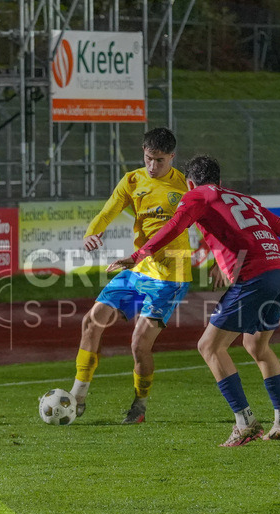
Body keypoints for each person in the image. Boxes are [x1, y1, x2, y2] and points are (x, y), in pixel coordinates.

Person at [108, 155, 280, 447]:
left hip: (255, 277)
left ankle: (244, 423)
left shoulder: (197, 195)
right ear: (220, 180)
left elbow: (174, 226)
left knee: (209, 346)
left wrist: (137, 256)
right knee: (256, 345)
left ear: (190, 182)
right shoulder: (246, 199)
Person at [69, 127, 192, 424]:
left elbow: (211, 222)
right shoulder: (133, 180)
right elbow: (108, 210)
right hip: (137, 270)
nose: (153, 166)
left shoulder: (186, 186)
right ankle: (77, 397)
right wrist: (92, 232)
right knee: (91, 322)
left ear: (172, 157)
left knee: (139, 345)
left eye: (160, 160)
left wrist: (219, 259)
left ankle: (139, 405)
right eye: (149, 158)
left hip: (170, 277)